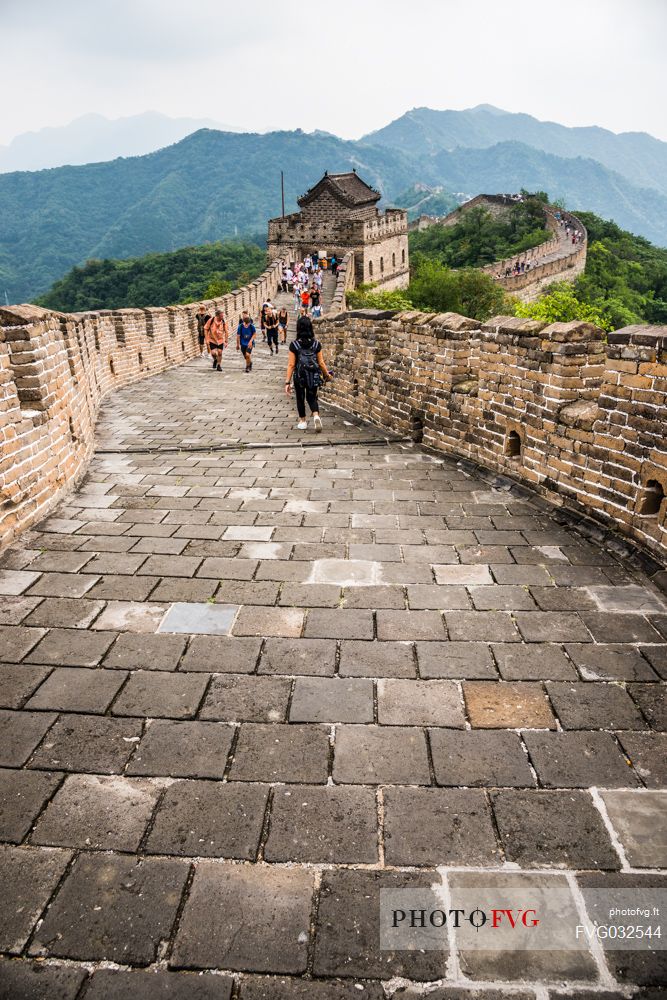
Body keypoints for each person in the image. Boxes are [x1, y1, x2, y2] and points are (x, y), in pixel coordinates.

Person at [285, 310, 331, 431]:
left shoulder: (294, 345)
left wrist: (287, 382)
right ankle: (316, 416)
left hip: (299, 376)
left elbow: (291, 364)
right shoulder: (316, 344)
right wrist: (326, 375)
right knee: (311, 397)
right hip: (313, 375)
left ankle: (303, 421)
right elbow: (321, 362)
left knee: (300, 397)